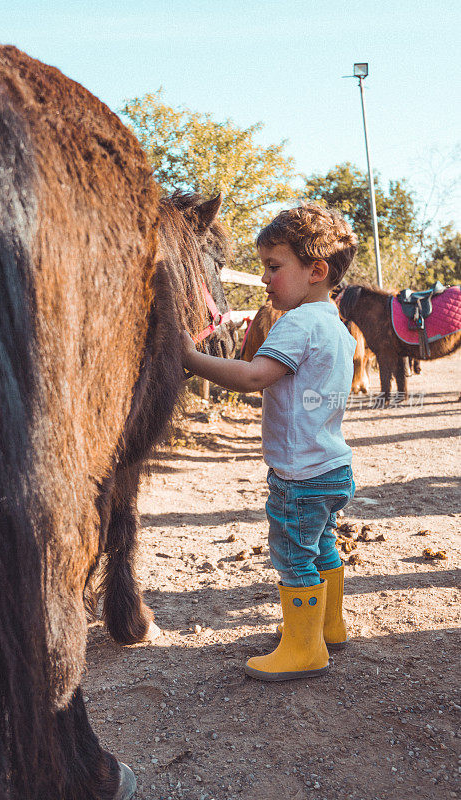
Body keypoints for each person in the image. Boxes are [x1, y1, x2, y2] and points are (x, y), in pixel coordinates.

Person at [181, 203, 358, 682]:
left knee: (293, 555)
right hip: (332, 467)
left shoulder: (297, 324)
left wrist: (190, 358)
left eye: (273, 267)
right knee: (320, 543)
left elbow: (254, 375)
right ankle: (329, 627)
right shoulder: (338, 328)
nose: (264, 279)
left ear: (316, 271)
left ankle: (304, 649)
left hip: (298, 475)